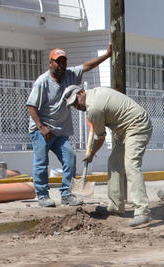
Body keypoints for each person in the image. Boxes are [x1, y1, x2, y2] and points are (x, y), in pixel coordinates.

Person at [26, 44, 111, 207]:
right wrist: (41, 127)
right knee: (41, 162)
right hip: (42, 130)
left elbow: (87, 66)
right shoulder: (42, 82)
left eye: (64, 62)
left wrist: (107, 55)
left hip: (60, 132)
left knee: (70, 158)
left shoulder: (70, 75)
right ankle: (42, 196)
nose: (61, 65)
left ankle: (66, 194)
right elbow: (31, 106)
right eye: (58, 62)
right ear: (50, 63)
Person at [63, 85, 153, 227]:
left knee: (131, 165)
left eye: (76, 101)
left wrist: (91, 154)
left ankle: (142, 211)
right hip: (125, 130)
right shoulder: (94, 94)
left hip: (137, 126)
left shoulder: (94, 108)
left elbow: (100, 138)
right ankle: (116, 206)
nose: (76, 106)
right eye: (73, 105)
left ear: (81, 92)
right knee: (114, 163)